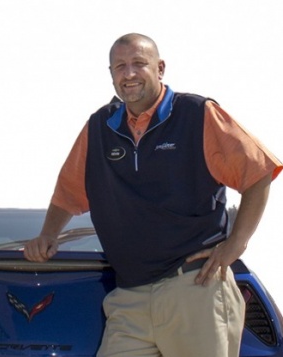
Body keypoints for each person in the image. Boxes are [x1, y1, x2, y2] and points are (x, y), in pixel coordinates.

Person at [24, 33, 282, 357]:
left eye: (138, 64)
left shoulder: (198, 113)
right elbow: (68, 193)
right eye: (120, 66)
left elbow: (258, 173)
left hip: (195, 289)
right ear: (111, 74)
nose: (128, 74)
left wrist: (236, 244)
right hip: (128, 298)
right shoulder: (99, 128)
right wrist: (48, 234)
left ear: (160, 68)